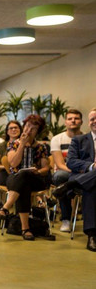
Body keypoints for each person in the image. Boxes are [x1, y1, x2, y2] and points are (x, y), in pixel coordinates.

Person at [0, 115, 51, 241]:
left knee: (26, 175)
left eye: (33, 128)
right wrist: (22, 145)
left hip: (35, 179)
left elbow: (45, 169)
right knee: (23, 183)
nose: (28, 130)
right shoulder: (13, 144)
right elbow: (13, 164)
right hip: (15, 178)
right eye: (27, 126)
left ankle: (5, 208)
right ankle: (25, 229)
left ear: (38, 131)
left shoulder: (41, 147)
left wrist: (38, 171)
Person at [54, 108, 96, 251]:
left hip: (81, 180)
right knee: (92, 187)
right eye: (92, 119)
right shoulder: (79, 140)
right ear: (88, 123)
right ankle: (92, 235)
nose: (95, 121)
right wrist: (92, 166)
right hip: (86, 176)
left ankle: (70, 185)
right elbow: (71, 162)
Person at [50, 109, 83, 232]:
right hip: (64, 172)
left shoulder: (87, 138)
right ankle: (66, 219)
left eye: (76, 118)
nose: (73, 120)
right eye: (70, 118)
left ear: (81, 121)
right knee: (60, 177)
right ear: (65, 122)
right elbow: (59, 164)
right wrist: (75, 171)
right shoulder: (57, 139)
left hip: (82, 174)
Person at [0, 120, 23, 186]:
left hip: (22, 172)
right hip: (4, 173)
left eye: (16, 127)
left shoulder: (25, 143)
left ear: (20, 130)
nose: (14, 129)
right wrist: (4, 166)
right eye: (11, 128)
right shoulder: (2, 145)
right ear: (7, 132)